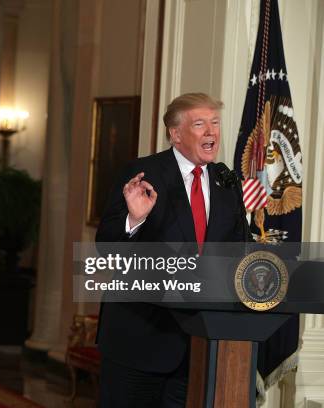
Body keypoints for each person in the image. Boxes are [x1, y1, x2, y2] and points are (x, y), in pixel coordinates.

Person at [95, 93, 247, 407]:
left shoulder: (225, 181)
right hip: (138, 342)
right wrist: (134, 219)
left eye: (215, 123)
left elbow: (236, 251)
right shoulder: (142, 174)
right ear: (175, 134)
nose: (211, 132)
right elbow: (106, 246)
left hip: (200, 347)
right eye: (200, 124)